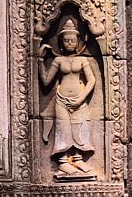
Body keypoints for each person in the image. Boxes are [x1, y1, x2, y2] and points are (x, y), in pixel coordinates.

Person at [39, 16, 96, 177]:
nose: (70, 43)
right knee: (63, 129)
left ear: (78, 42)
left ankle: (78, 158)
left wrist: (81, 98)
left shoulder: (83, 60)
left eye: (73, 40)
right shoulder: (58, 60)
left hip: (79, 100)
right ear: (61, 43)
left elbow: (92, 80)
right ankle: (63, 161)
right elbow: (45, 81)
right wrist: (39, 60)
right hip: (62, 100)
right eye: (66, 41)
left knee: (80, 126)